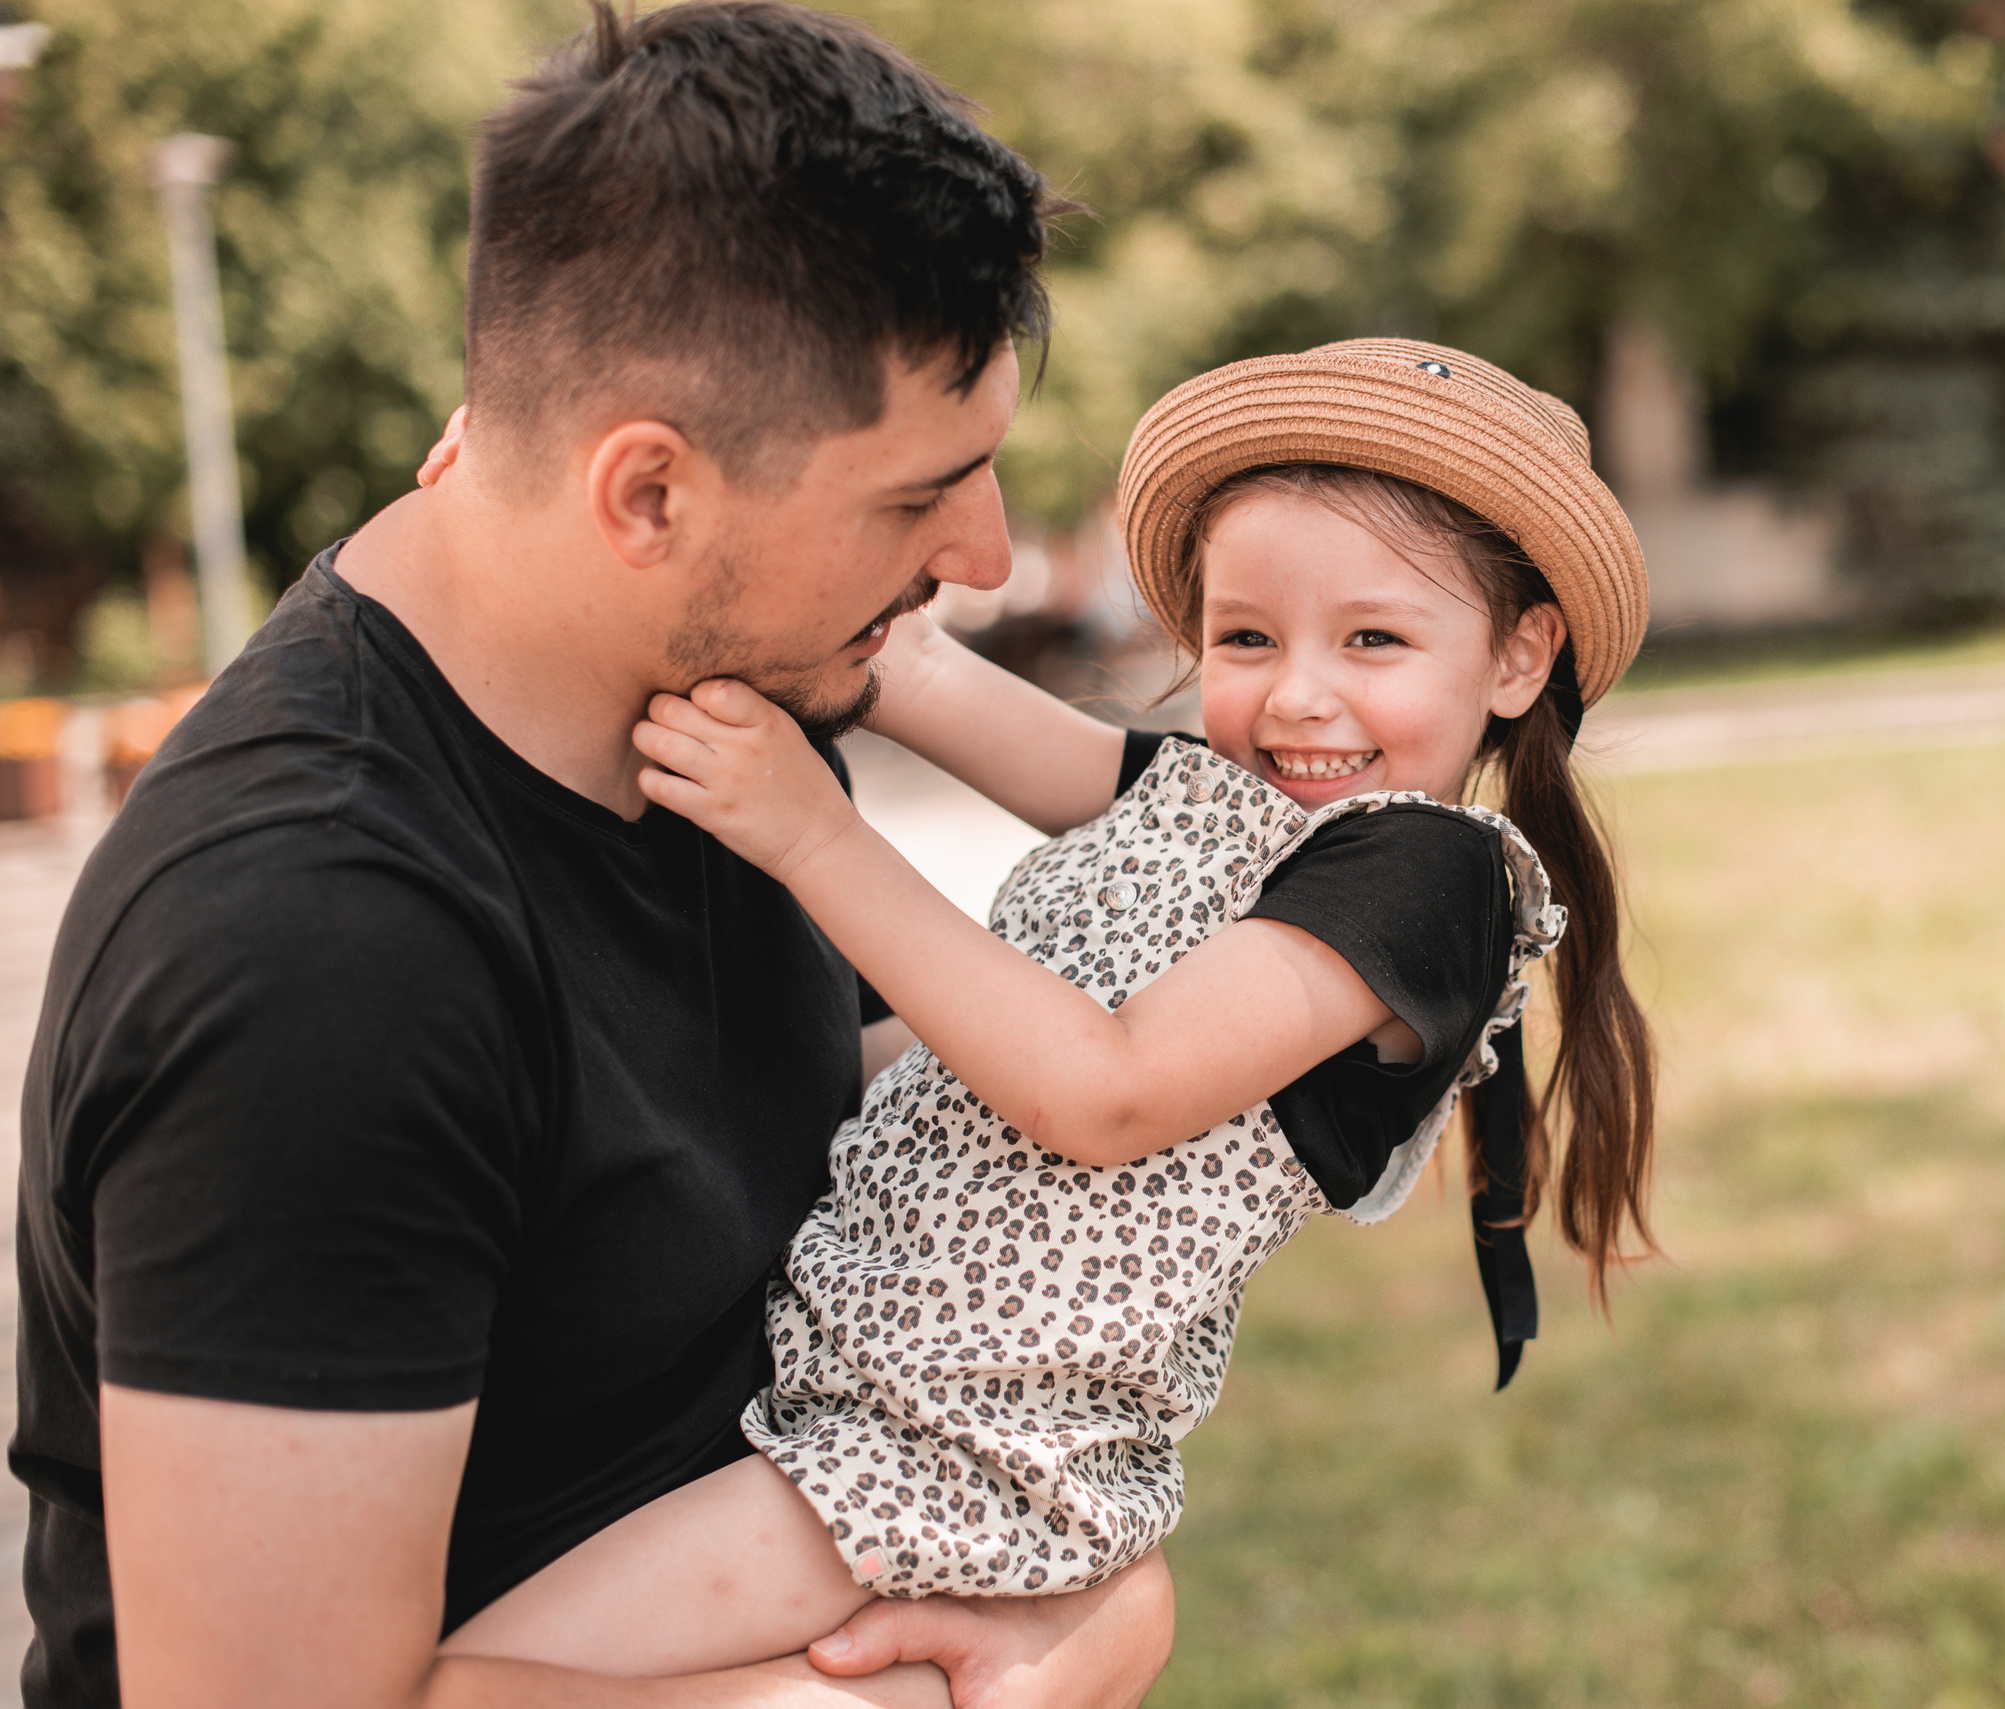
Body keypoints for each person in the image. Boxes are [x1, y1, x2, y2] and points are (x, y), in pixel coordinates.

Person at [10, 5, 1174, 1706]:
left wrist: (1098, 1593)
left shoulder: (725, 723)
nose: (986, 556)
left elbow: (927, 1150)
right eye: (923, 491)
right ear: (643, 497)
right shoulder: (314, 950)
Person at [430, 338, 1662, 1675]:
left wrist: (807, 833)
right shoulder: (1204, 798)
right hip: (829, 1353)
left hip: (941, 1445)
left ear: (1518, 656)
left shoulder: (1431, 875)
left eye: (1374, 638)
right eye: (1247, 636)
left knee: (435, 1686)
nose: (1297, 692)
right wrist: (573, 502)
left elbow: (1107, 1090)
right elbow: (913, 675)